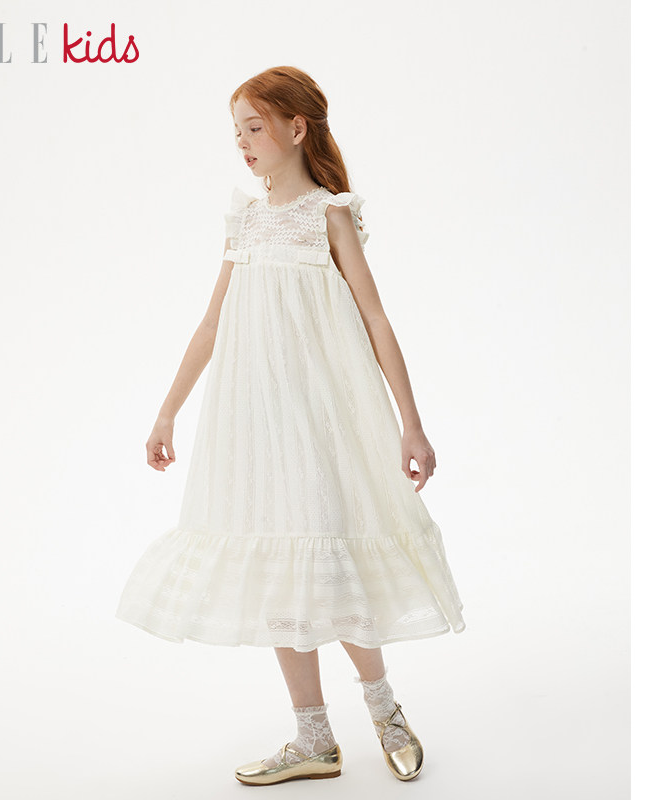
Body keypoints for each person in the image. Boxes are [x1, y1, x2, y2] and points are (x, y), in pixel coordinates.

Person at [115, 65, 466, 785]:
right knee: (280, 570)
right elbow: (212, 323)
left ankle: (385, 710)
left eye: (254, 128)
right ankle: (314, 738)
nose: (242, 143)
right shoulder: (245, 219)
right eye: (236, 132)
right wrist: (167, 411)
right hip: (255, 427)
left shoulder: (328, 215)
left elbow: (375, 319)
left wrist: (412, 424)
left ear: (296, 128)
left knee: (331, 564)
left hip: (318, 423)